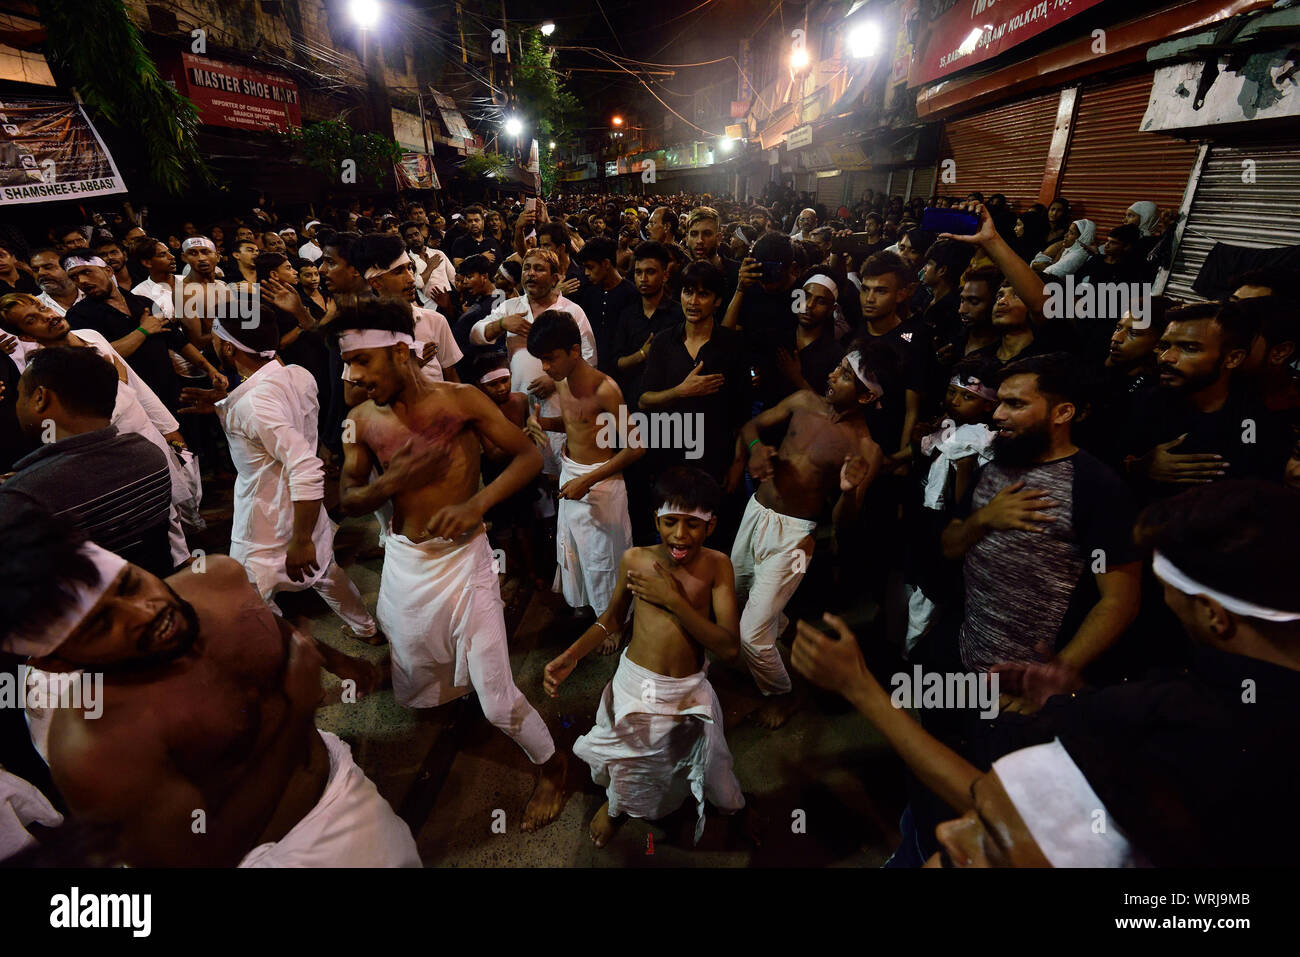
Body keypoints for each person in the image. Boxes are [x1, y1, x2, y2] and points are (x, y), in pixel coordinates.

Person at [0, 502, 421, 867]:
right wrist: (297, 711)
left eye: (128, 583)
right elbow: (198, 858)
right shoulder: (93, 745)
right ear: (56, 663)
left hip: (348, 784)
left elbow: (264, 624)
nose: (146, 611)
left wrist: (334, 657)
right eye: (103, 625)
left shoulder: (217, 579)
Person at [335, 297, 567, 830]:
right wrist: (394, 481)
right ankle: (461, 699)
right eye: (348, 364)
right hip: (405, 563)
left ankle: (554, 769)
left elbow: (529, 457)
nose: (354, 377)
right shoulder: (359, 421)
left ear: (399, 351)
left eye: (362, 362)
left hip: (466, 563)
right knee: (417, 663)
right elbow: (347, 499)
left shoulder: (461, 400)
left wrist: (475, 505)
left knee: (499, 701)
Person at [544, 467, 747, 848]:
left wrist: (675, 601)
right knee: (631, 761)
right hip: (637, 684)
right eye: (670, 522)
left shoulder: (717, 566)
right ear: (656, 519)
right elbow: (612, 621)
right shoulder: (635, 560)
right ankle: (618, 808)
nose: (680, 535)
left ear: (712, 525)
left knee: (694, 759)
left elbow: (729, 647)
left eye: (693, 525)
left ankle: (712, 807)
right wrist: (572, 655)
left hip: (686, 689)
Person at [180, 315, 385, 659]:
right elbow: (271, 422)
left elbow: (305, 466)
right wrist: (223, 407)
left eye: (216, 340)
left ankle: (288, 664)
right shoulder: (298, 375)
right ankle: (366, 628)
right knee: (325, 573)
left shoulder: (253, 404)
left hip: (267, 522)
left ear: (228, 347)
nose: (212, 346)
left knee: (246, 602)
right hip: (305, 512)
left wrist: (300, 541)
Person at [940, 352, 1142, 674]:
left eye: (1016, 405)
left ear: (1062, 413)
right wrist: (983, 519)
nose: (998, 414)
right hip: (967, 655)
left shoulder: (1096, 487)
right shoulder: (991, 469)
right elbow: (950, 546)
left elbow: (1120, 601)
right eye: (1000, 402)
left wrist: (1052, 678)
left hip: (1029, 686)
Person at [733, 348, 885, 725]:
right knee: (737, 594)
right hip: (756, 511)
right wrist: (754, 452)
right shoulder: (803, 401)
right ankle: (784, 638)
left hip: (796, 539)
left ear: (866, 396)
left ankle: (786, 693)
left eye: (846, 375)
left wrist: (849, 491)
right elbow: (750, 427)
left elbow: (844, 524)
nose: (832, 376)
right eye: (838, 367)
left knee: (751, 634)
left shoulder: (865, 449)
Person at [0, 346, 172, 577]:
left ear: (40, 398)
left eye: (20, 395)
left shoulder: (26, 495)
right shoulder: (148, 454)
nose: (16, 405)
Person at [526, 311, 643, 644]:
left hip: (601, 484)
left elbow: (636, 447)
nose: (545, 368)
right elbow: (577, 426)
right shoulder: (561, 381)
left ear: (574, 351)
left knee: (605, 559)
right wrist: (542, 426)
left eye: (550, 359)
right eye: (542, 360)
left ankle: (614, 622)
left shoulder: (605, 389)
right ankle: (589, 607)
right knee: (576, 551)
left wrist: (588, 480)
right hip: (571, 476)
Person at [1121, 301, 1290, 500]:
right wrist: (1137, 466)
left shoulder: (1258, 425)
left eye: (1189, 348)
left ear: (1233, 359)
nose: (1167, 357)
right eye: (1164, 346)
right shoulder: (1140, 402)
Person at [639, 260, 751, 491]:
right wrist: (681, 391)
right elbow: (644, 400)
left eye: (703, 294)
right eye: (688, 292)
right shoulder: (663, 341)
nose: (693, 301)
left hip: (715, 461)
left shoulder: (732, 346)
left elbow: (743, 416)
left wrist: (738, 464)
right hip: (668, 457)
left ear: (718, 301)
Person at [574, 237, 637, 375]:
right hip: (591, 368)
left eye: (590, 267)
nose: (586, 273)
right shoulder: (589, 291)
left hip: (622, 372)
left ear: (606, 264)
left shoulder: (631, 294)